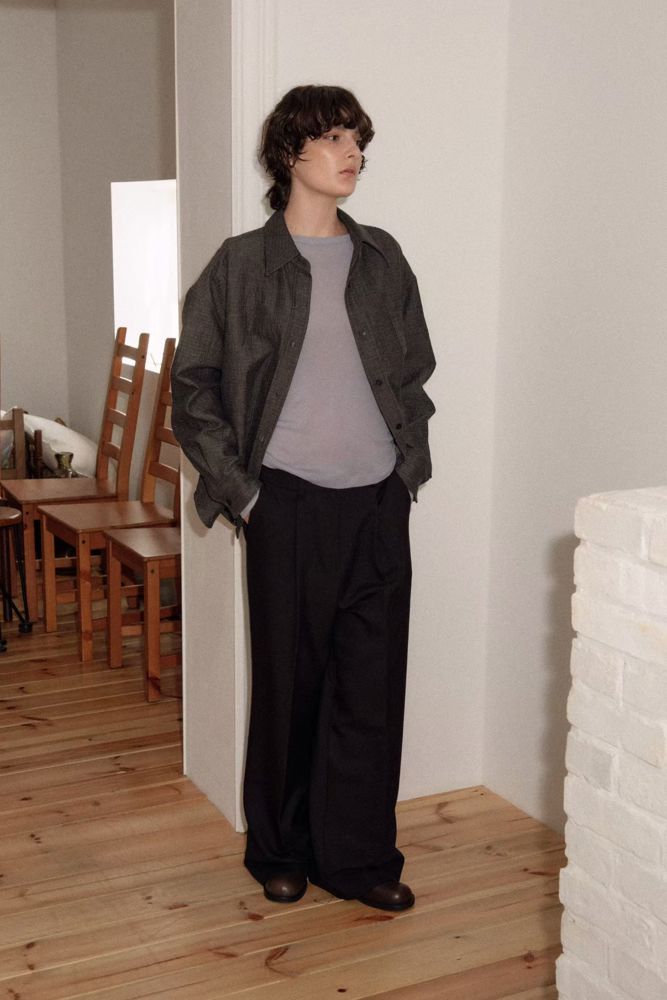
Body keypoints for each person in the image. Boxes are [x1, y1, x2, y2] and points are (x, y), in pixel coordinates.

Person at [171, 84, 435, 912]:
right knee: (291, 687)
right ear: (290, 153)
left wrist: (406, 470)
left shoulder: (382, 258)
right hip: (285, 504)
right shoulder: (241, 266)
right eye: (334, 139)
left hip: (377, 504)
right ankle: (279, 848)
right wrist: (245, 496)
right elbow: (193, 388)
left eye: (358, 140)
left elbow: (414, 371)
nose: (353, 154)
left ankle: (355, 857)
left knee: (370, 688)